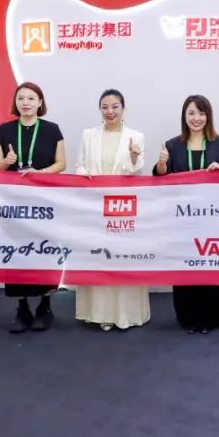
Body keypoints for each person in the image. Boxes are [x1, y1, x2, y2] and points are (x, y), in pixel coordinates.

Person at [153, 95, 219, 333]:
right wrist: (161, 164)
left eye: (201, 113)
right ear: (184, 116)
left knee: (210, 266)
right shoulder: (172, 145)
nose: (196, 118)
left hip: (211, 219)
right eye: (191, 113)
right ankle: (188, 318)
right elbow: (160, 178)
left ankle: (211, 318)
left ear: (208, 116)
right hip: (181, 220)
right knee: (185, 267)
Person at [0, 81, 66, 333]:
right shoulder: (4, 130)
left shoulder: (52, 129)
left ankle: (45, 307)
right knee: (16, 252)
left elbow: (61, 163)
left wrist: (40, 173)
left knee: (45, 250)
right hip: (13, 202)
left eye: (31, 98)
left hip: (44, 201)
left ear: (40, 102)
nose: (26, 103)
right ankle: (21, 308)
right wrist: (7, 161)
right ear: (15, 102)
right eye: (21, 98)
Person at [75, 89, 149, 331]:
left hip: (123, 208)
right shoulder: (88, 135)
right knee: (99, 258)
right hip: (94, 207)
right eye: (105, 107)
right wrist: (85, 177)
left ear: (123, 109)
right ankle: (100, 314)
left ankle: (127, 314)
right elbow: (80, 165)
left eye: (115, 106)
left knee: (123, 258)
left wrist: (134, 157)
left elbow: (135, 171)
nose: (110, 111)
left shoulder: (136, 136)